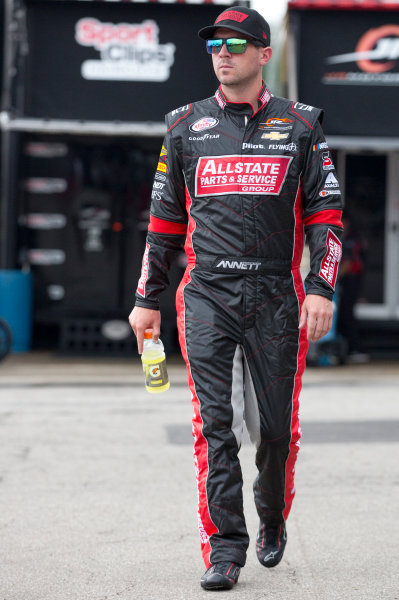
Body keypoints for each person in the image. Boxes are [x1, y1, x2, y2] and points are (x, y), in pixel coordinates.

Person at [129, 6, 343, 591]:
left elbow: (327, 217)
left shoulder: (302, 125)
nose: (223, 52)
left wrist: (321, 287)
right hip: (206, 294)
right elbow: (164, 224)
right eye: (215, 44)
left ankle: (271, 517)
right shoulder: (183, 126)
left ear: (263, 54)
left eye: (236, 43)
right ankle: (224, 548)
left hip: (278, 291)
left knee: (275, 430)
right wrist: (147, 298)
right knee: (214, 426)